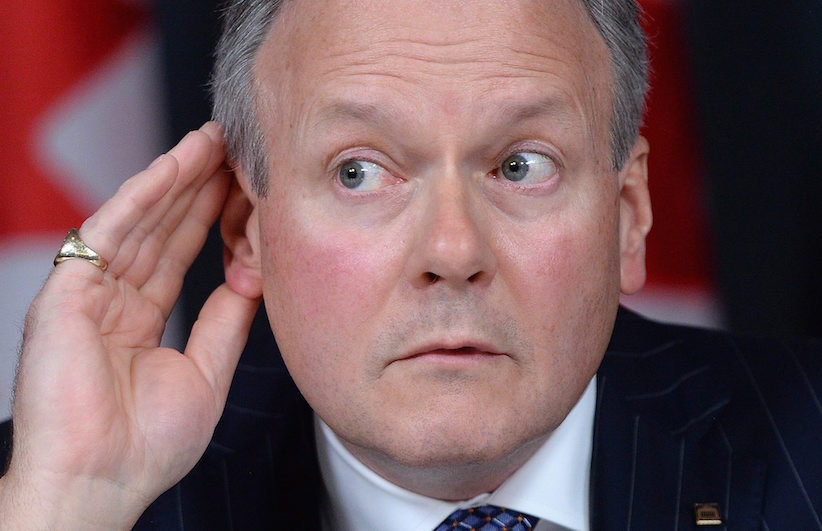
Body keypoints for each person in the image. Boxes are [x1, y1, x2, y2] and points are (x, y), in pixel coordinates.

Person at [1, 0, 820, 529]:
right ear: (248, 230)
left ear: (628, 216)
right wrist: (66, 507)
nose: (453, 252)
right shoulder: (65, 485)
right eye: (359, 172)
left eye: (521, 166)